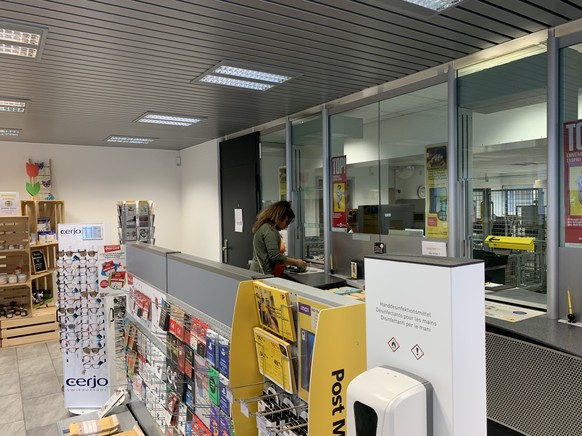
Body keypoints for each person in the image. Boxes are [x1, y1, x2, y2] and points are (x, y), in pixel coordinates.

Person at [249, 201, 307, 276]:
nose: (286, 226)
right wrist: (296, 262)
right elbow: (275, 256)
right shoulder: (269, 230)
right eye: (286, 222)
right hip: (261, 274)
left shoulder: (265, 227)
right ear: (279, 217)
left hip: (257, 272)